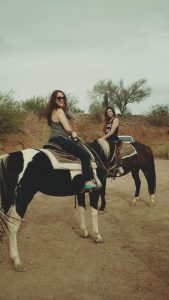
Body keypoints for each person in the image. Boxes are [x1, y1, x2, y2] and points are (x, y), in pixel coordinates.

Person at [46, 89, 96, 190]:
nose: (62, 99)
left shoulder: (51, 112)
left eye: (63, 97)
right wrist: (73, 133)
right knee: (85, 155)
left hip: (52, 140)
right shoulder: (59, 110)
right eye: (59, 98)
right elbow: (67, 129)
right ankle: (87, 181)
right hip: (61, 140)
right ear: (54, 99)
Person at [101, 107, 123, 175]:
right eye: (107, 112)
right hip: (107, 139)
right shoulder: (108, 121)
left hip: (114, 139)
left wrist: (103, 138)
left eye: (110, 111)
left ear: (113, 112)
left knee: (114, 151)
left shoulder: (115, 119)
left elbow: (112, 131)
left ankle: (119, 167)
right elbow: (106, 131)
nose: (109, 113)